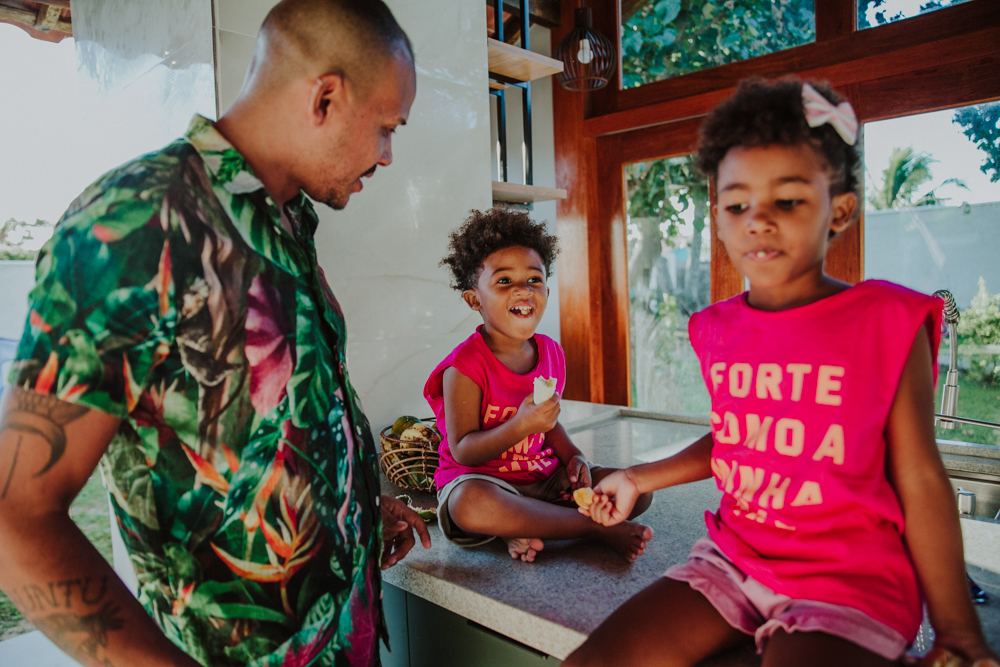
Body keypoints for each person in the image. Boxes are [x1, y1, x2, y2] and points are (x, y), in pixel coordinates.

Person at [0, 1, 431, 665]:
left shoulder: (286, 223)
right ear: (325, 97)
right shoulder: (139, 220)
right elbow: (16, 519)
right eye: (386, 128)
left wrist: (357, 511)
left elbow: (265, 424)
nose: (388, 155)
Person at [565, 78, 998, 666]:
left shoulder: (885, 323)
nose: (758, 220)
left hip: (850, 582)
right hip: (734, 561)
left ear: (839, 209)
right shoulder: (716, 329)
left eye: (787, 200)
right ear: (717, 218)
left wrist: (958, 629)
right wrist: (640, 479)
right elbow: (740, 441)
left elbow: (920, 479)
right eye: (737, 203)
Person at [424, 208, 654, 564]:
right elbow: (463, 451)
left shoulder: (551, 353)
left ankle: (525, 525)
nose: (522, 289)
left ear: (546, 288)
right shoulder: (465, 367)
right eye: (504, 281)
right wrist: (520, 426)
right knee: (468, 506)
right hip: (484, 482)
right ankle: (591, 527)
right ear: (474, 299)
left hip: (541, 477)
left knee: (637, 491)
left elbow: (548, 421)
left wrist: (573, 456)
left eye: (533, 279)